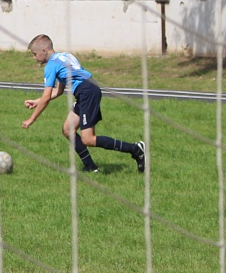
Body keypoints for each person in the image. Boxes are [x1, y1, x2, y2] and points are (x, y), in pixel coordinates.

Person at [21, 34, 145, 174]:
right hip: (88, 89)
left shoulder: (51, 66)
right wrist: (36, 102)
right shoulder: (64, 57)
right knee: (68, 130)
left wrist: (31, 119)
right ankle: (90, 166)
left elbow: (47, 96)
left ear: (44, 51)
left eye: (34, 54)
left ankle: (135, 149)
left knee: (88, 139)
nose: (34, 58)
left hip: (87, 92)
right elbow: (59, 91)